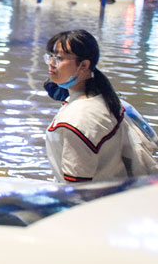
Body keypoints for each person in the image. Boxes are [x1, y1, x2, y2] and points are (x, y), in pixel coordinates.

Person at [42, 29, 127, 183]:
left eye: (59, 58)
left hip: (92, 201)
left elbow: (77, 188)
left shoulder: (78, 119)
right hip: (112, 190)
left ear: (84, 65)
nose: (51, 64)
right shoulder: (103, 97)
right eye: (50, 56)